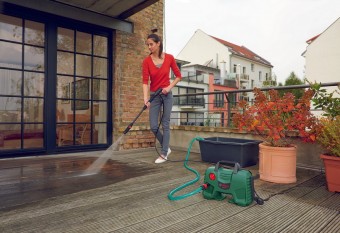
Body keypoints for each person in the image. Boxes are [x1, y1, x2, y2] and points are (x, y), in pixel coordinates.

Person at [142, 33, 182, 164]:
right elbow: (144, 82)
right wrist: (146, 99)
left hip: (167, 95)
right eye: (148, 44)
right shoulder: (147, 61)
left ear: (158, 43)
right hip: (155, 96)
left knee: (165, 123)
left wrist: (169, 87)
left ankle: (164, 153)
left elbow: (178, 76)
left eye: (151, 44)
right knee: (154, 126)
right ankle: (166, 146)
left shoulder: (169, 58)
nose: (149, 47)